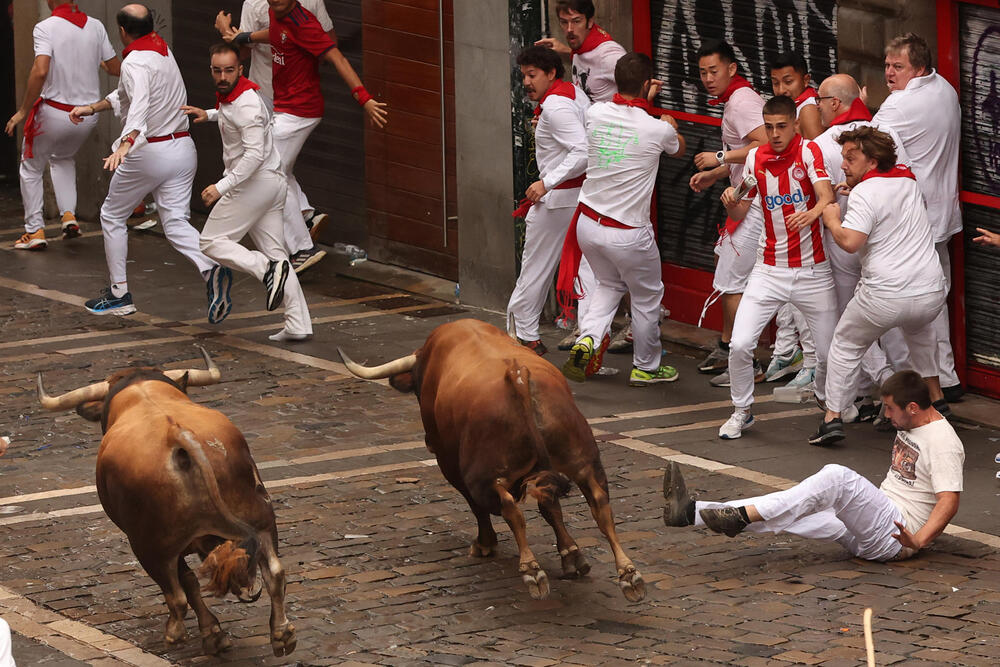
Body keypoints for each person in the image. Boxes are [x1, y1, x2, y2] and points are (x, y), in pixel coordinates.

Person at [664, 370, 964, 562]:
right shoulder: (910, 420)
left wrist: (920, 540)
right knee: (796, 505)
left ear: (913, 408)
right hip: (876, 521)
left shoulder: (942, 441)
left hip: (896, 536)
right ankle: (692, 513)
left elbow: (949, 500)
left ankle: (739, 516)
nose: (886, 415)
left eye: (890, 408)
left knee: (837, 477)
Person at [69, 4, 220, 319]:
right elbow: (130, 94)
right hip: (183, 148)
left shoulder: (134, 61)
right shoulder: (162, 50)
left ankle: (119, 294)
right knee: (176, 222)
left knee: (111, 216)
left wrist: (125, 144)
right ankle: (211, 269)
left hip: (150, 153)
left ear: (122, 31)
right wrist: (93, 108)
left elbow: (137, 105)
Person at [811, 126, 948, 445]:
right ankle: (937, 402)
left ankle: (832, 418)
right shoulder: (907, 180)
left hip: (885, 294)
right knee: (921, 333)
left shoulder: (864, 193)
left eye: (850, 158)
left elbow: (850, 241)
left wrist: (832, 218)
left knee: (845, 344)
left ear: (871, 161)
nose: (843, 164)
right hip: (929, 291)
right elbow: (886, 200)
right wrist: (855, 185)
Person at [229, 0, 388, 274]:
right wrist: (242, 37)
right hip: (285, 108)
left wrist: (364, 99)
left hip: (300, 113)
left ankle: (303, 246)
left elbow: (337, 57)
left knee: (268, 170)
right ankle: (305, 217)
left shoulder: (305, 24)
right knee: (277, 170)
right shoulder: (276, 12)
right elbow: (276, 33)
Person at [560, 52, 686, 386]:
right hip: (628, 232)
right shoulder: (658, 129)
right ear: (648, 84)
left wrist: (642, 100)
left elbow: (620, 114)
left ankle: (588, 337)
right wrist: (666, 119)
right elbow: (679, 149)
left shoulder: (596, 112)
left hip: (588, 223)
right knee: (646, 297)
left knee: (607, 284)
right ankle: (646, 366)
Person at [715, 95, 836, 439]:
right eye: (769, 127)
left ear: (796, 124)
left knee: (828, 353)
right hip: (768, 270)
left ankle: (829, 407)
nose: (775, 134)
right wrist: (731, 202)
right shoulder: (755, 158)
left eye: (782, 126)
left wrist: (812, 213)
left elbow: (826, 196)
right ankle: (742, 411)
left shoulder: (809, 151)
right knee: (739, 344)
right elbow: (741, 210)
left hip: (814, 271)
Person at [181, 43, 313, 342]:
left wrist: (221, 187)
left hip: (254, 183)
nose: (223, 76)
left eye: (229, 70)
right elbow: (233, 115)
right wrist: (211, 114)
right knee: (278, 253)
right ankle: (298, 324)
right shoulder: (235, 96)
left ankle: (266, 269)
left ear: (241, 69)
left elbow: (253, 155)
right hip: (270, 183)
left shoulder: (247, 104)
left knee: (211, 241)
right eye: (217, 70)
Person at [536, 0, 634, 354]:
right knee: (590, 246)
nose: (570, 28)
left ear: (592, 21)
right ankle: (589, 327)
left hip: (614, 164)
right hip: (593, 163)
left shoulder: (611, 56)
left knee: (620, 245)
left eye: (577, 21)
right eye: (564, 22)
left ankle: (629, 325)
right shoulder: (578, 53)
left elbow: (634, 91)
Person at [872, 33, 963, 403]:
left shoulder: (898, 106)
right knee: (936, 297)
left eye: (898, 67)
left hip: (916, 221)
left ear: (919, 68)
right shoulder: (945, 88)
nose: (889, 74)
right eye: (887, 66)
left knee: (911, 303)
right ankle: (947, 378)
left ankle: (923, 383)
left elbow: (864, 143)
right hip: (942, 214)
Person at [813, 73, 907, 427]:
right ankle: (893, 390)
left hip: (845, 243)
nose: (817, 107)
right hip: (885, 242)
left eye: (820, 100)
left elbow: (818, 198)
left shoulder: (821, 144)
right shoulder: (887, 134)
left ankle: (878, 389)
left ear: (834, 103)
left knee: (850, 326)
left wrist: (831, 219)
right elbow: (904, 176)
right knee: (892, 323)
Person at [213, 0, 333, 242]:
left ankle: (301, 241)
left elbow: (243, 52)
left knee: (267, 165)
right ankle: (305, 213)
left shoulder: (255, 2)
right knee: (276, 162)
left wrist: (226, 33)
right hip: (295, 93)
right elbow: (329, 43)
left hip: (268, 94)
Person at [5, 0, 120, 250]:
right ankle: (69, 217)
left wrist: (23, 110)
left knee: (31, 167)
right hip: (89, 115)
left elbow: (40, 71)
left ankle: (34, 230)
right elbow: (114, 68)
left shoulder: (45, 27)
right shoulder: (96, 26)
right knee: (63, 158)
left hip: (56, 113)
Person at [689, 40, 767, 379]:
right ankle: (727, 347)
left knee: (732, 281)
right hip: (747, 196)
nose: (707, 78)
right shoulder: (733, 100)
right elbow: (745, 152)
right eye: (703, 72)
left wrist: (719, 158)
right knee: (728, 269)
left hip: (757, 201)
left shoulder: (741, 101)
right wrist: (714, 175)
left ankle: (743, 360)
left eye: (714, 71)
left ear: (732, 69)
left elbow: (765, 144)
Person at [506, 46, 589, 356]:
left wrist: (546, 182)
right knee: (587, 271)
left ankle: (521, 333)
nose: (526, 82)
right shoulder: (573, 94)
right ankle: (587, 340)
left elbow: (581, 151)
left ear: (551, 74)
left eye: (532, 75)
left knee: (536, 266)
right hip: (577, 199)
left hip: (558, 200)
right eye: (523, 75)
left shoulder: (555, 106)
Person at [762, 51, 823, 390]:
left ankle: (812, 362)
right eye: (775, 82)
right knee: (785, 290)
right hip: (783, 210)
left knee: (801, 291)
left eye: (788, 81)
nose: (781, 88)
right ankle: (788, 351)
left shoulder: (807, 109)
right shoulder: (786, 109)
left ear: (804, 78)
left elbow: (814, 155)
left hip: (804, 213)